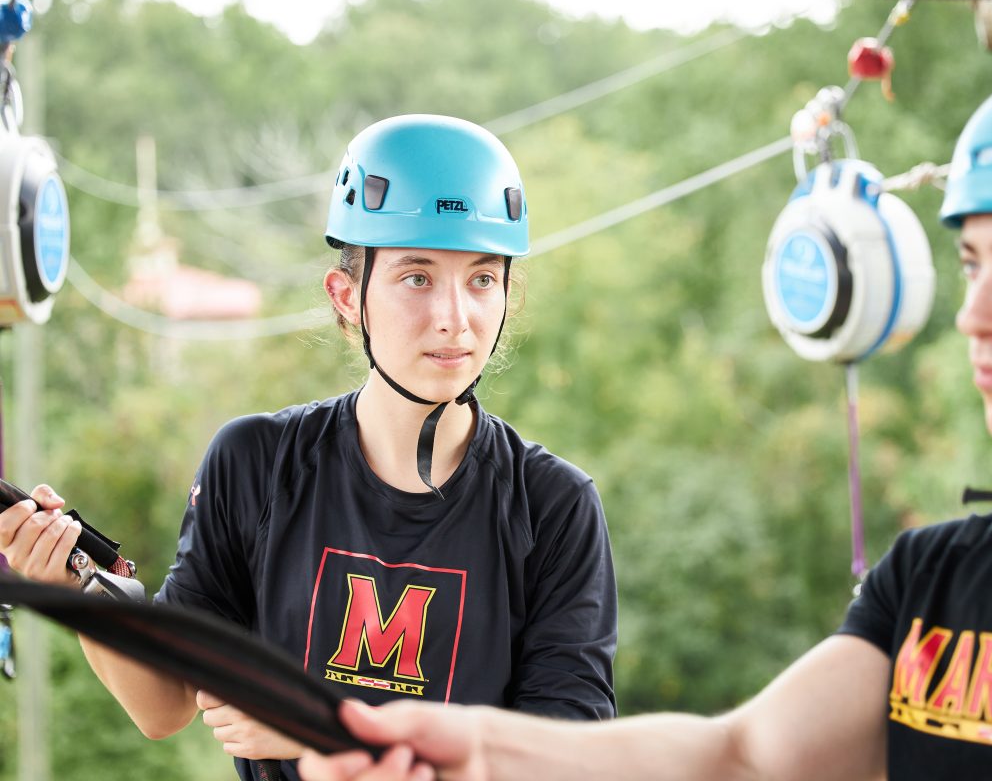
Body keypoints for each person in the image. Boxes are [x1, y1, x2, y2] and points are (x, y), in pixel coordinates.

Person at [297, 52, 992, 781]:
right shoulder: (936, 579)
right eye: (972, 265)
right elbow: (742, 756)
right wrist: (477, 752)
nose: (976, 315)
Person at [0, 115, 618, 780]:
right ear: (346, 296)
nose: (454, 317)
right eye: (416, 277)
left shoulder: (552, 507)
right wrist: (76, 591)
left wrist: (328, 731)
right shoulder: (258, 465)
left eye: (480, 280)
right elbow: (168, 705)